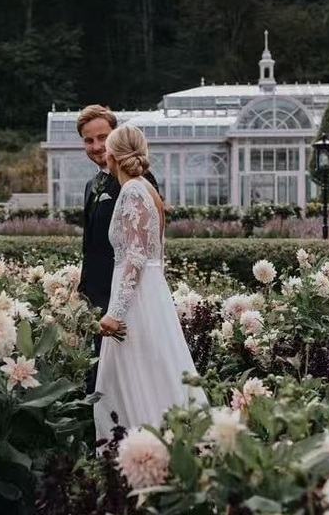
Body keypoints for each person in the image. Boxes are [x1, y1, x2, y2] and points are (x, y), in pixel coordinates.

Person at [93, 124, 207, 440]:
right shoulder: (148, 189)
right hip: (150, 291)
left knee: (132, 378)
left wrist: (115, 312)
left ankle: (137, 448)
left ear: (112, 157)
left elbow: (136, 256)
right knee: (154, 373)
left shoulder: (131, 191)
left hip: (137, 298)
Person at [76, 105, 157, 394]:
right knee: (97, 378)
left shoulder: (138, 182)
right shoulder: (91, 185)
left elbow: (143, 247)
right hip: (95, 295)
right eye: (88, 140)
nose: (96, 146)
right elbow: (91, 245)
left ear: (115, 136)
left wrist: (120, 304)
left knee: (128, 383)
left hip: (123, 299)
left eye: (102, 137)